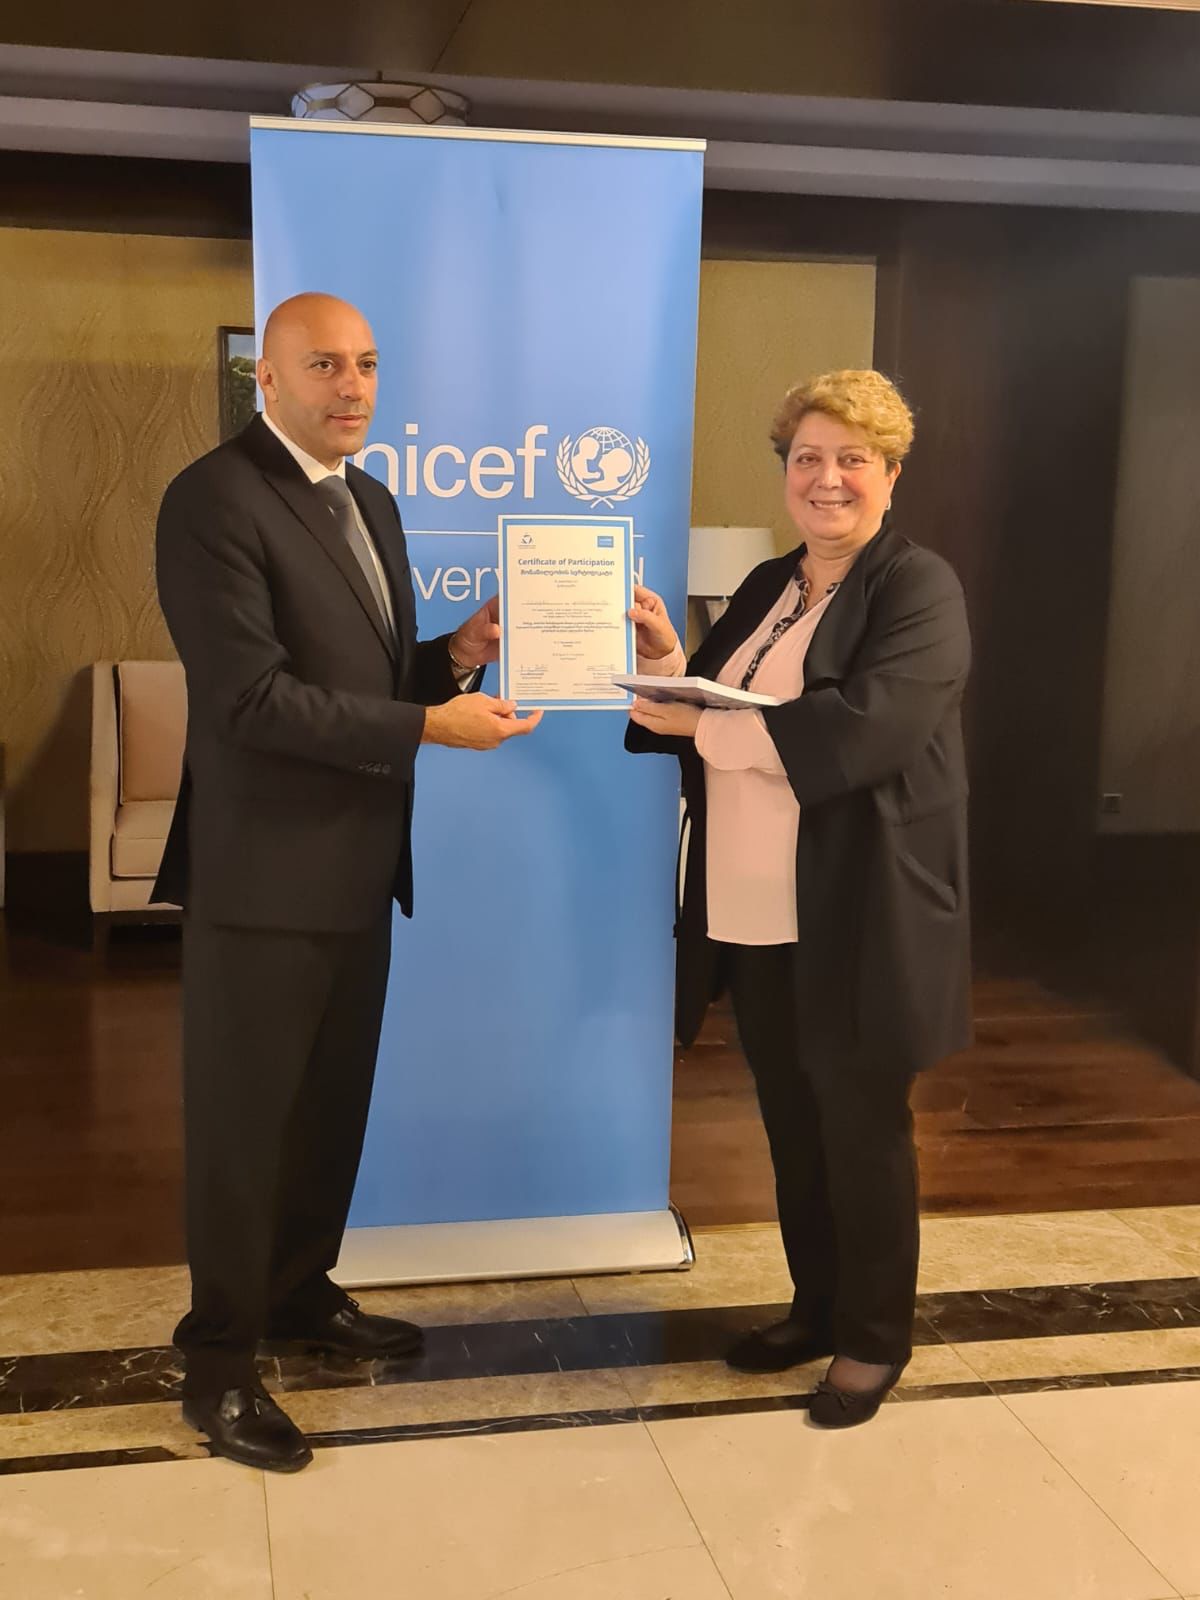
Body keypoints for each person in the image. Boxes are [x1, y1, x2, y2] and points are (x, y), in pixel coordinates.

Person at [154, 292, 542, 1471]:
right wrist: (429, 723)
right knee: (243, 1130)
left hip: (359, 869)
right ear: (265, 379)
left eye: (367, 363)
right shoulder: (213, 498)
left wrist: (453, 657)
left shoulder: (368, 498)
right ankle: (220, 1367)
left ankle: (297, 1293)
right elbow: (250, 700)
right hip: (261, 879)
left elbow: (359, 676)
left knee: (327, 1110)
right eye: (324, 364)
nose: (354, 385)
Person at [625, 369, 970, 1428]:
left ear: (891, 475)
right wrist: (667, 660)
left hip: (857, 909)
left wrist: (706, 726)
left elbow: (866, 731)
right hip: (751, 908)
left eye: (852, 459)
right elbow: (713, 701)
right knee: (792, 1124)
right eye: (808, 458)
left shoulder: (917, 588)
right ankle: (816, 1307)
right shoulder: (772, 582)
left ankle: (873, 1337)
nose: (828, 479)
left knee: (862, 1131)